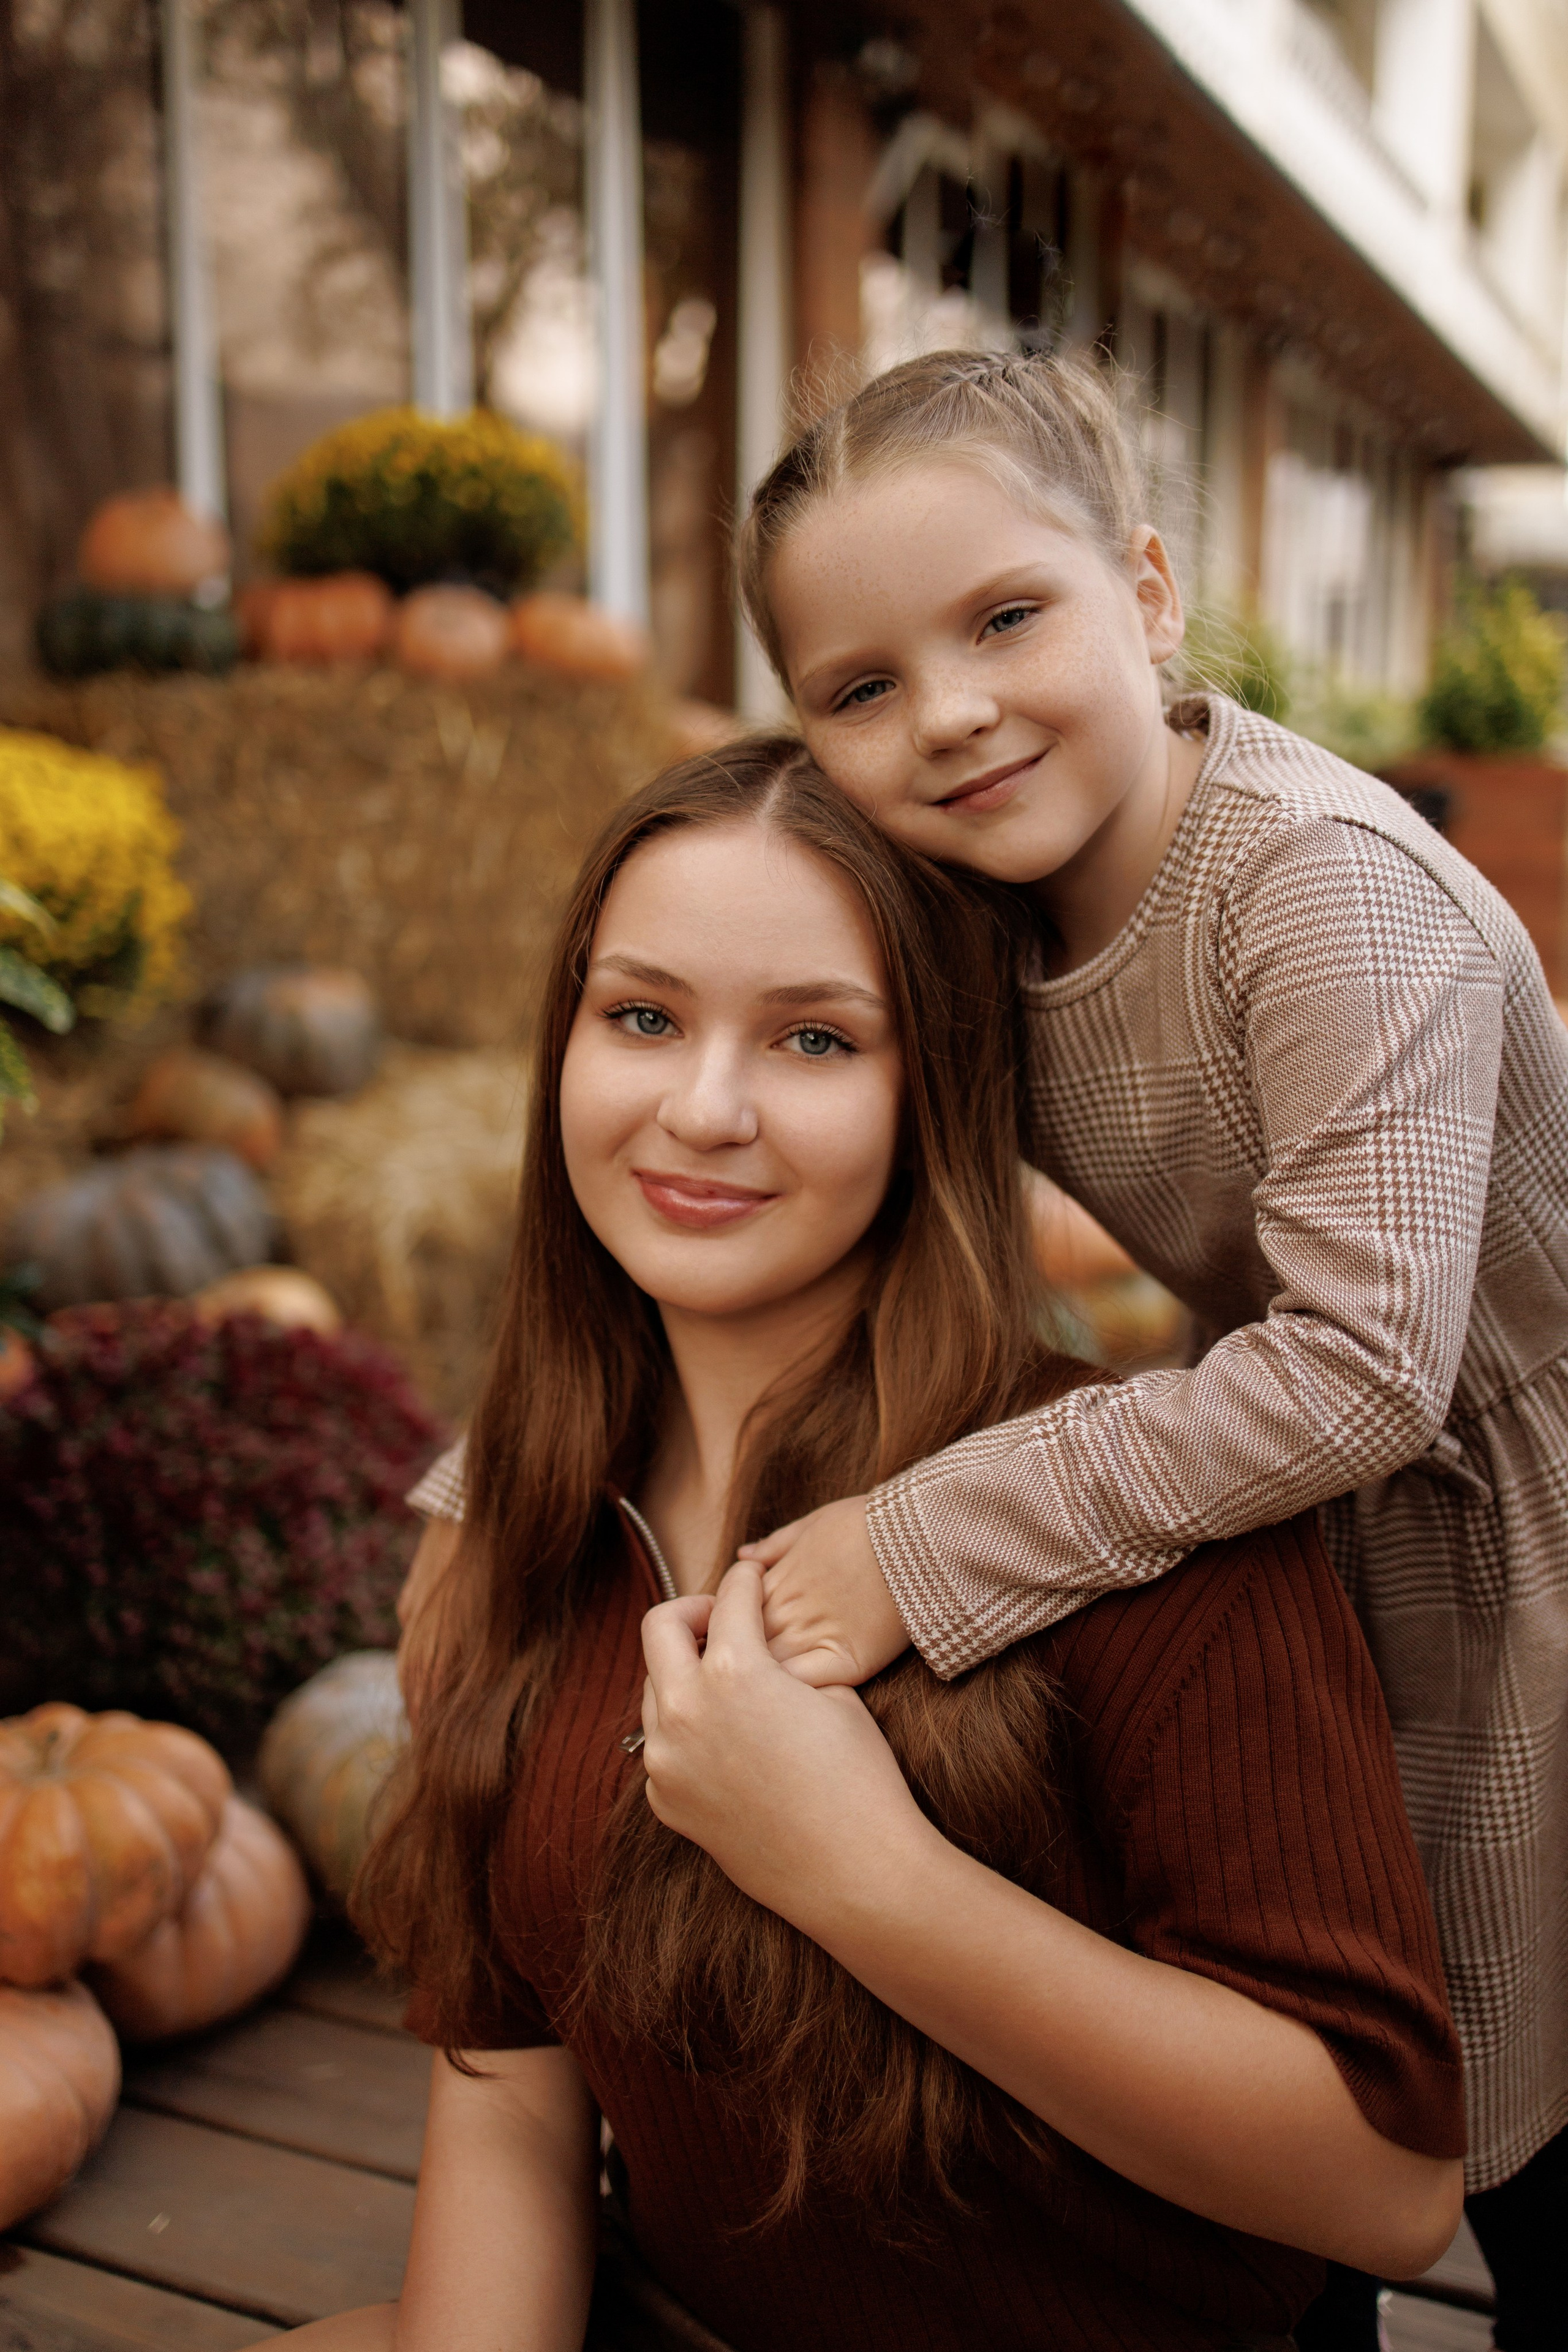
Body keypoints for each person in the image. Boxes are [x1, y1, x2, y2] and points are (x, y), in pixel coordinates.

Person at [249, 741, 1463, 2352]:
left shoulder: (1144, 1523)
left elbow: (1383, 2187)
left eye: (816, 1037)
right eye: (643, 1017)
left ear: (933, 1089)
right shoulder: (506, 1542)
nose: (702, 1108)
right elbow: (512, 2105)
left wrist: (866, 1877)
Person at [704, 348, 1564, 2350]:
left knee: (1530, 2096)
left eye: (1008, 618)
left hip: (1518, 1520)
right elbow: (809, 1184)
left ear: (1149, 595)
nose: (954, 714)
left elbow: (1361, 1370)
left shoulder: (1326, 903)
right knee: (1301, 2065)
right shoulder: (978, 897)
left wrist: (918, 1544)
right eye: (861, 686)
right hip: (1324, 1526)